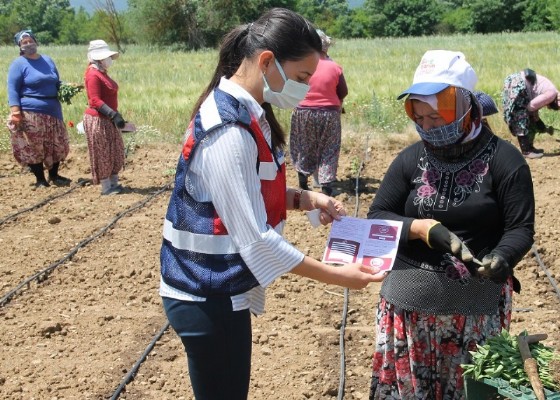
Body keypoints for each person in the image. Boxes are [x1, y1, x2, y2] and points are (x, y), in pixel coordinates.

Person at [158, 8, 385, 400]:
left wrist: (303, 198)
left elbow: (245, 193)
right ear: (267, 62)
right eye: (301, 78)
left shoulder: (249, 111)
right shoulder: (228, 129)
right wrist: (338, 276)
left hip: (216, 291)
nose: (305, 88)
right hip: (206, 296)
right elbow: (256, 240)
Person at [367, 50, 535, 399]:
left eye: (437, 118)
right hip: (407, 312)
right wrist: (419, 229)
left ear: (467, 109)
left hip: (473, 312)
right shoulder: (410, 159)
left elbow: (520, 228)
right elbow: (378, 216)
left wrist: (502, 257)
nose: (428, 127)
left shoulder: (505, 161)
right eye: (421, 117)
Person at [6, 29, 71, 188]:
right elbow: (12, 89)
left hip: (53, 109)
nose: (28, 44)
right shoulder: (19, 64)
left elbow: (56, 81)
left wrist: (66, 87)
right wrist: (15, 112)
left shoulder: (48, 60)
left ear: (36, 42)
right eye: (24, 42)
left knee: (57, 143)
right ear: (20, 46)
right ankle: (40, 179)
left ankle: (54, 176)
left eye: (30, 41)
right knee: (34, 145)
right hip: (31, 111)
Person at [289, 29, 348, 196]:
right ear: (326, 48)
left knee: (303, 146)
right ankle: (327, 188)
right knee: (329, 149)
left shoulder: (300, 64)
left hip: (302, 112)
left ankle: (303, 183)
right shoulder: (334, 67)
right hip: (329, 113)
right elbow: (343, 91)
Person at [83, 40, 127, 195]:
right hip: (99, 120)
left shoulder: (102, 74)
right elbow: (94, 100)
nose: (109, 60)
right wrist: (112, 114)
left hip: (108, 119)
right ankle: (106, 187)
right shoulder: (93, 75)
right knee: (103, 152)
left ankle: (114, 183)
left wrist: (115, 116)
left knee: (115, 150)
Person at [502, 68, 560, 158]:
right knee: (522, 116)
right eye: (558, 108)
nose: (554, 109)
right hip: (517, 84)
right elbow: (530, 107)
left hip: (515, 81)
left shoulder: (551, 92)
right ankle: (526, 151)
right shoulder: (551, 94)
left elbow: (534, 107)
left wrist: (538, 122)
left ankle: (529, 148)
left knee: (527, 117)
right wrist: (537, 121)